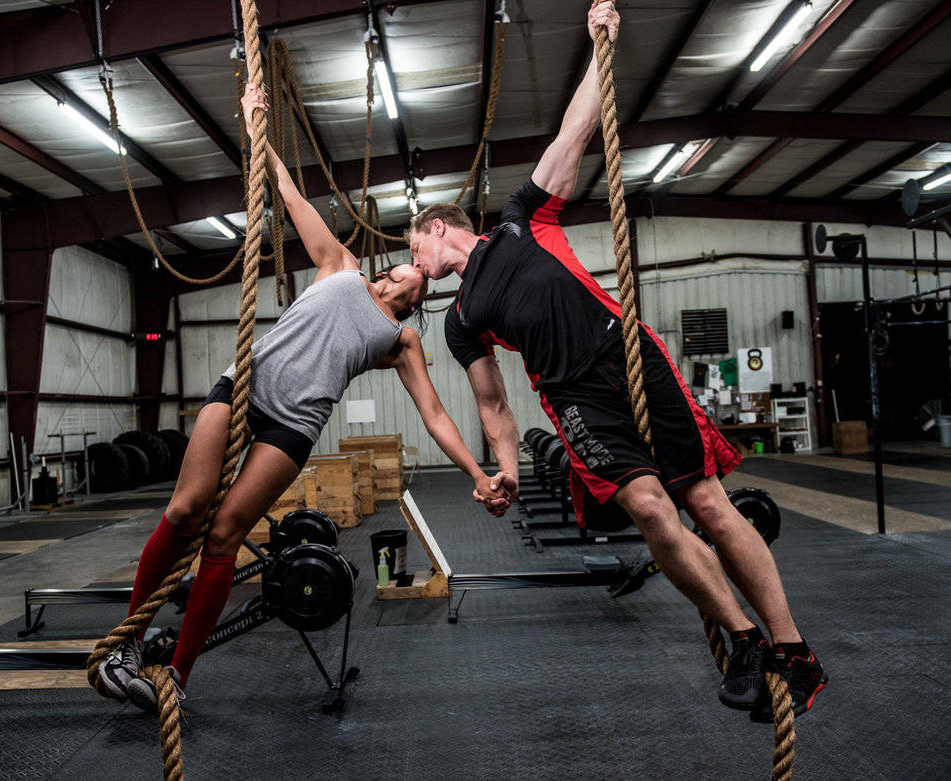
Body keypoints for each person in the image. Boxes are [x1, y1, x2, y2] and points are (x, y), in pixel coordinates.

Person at [407, 1, 825, 723]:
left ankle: (795, 654)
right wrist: (504, 470)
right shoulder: (461, 320)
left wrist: (601, 41)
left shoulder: (518, 219)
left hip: (627, 356)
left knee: (708, 505)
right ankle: (746, 639)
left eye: (413, 249)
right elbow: (494, 408)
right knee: (651, 508)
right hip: (575, 399)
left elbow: (577, 127)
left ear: (437, 228)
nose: (415, 266)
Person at [98, 83, 512, 712]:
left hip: (290, 429)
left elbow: (435, 415)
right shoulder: (338, 266)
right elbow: (290, 194)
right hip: (242, 392)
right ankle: (123, 648)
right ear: (389, 268)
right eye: (405, 263)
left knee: (225, 536)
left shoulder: (400, 342)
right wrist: (255, 123)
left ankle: (178, 674)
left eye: (422, 278)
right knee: (185, 511)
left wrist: (479, 473)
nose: (413, 272)